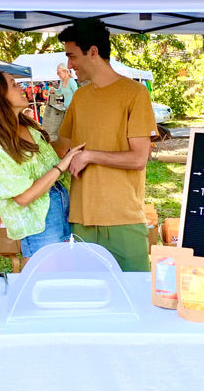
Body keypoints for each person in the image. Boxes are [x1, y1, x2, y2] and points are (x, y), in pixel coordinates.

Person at [55, 18, 157, 271]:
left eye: (72, 56)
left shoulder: (135, 93)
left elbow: (138, 159)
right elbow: (61, 150)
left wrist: (89, 156)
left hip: (123, 217)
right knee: (87, 299)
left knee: (135, 298)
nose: (69, 65)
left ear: (93, 52)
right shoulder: (79, 97)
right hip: (81, 218)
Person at [0, 71, 85, 257]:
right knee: (45, 277)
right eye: (13, 84)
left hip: (61, 208)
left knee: (65, 272)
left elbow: (52, 160)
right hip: (39, 222)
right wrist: (62, 166)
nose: (22, 88)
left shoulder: (30, 128)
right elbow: (23, 197)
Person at [41, 63, 80, 141]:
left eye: (59, 72)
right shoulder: (62, 81)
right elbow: (60, 93)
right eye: (57, 73)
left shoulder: (71, 81)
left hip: (71, 109)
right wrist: (54, 90)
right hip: (64, 109)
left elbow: (77, 93)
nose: (58, 74)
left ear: (65, 71)